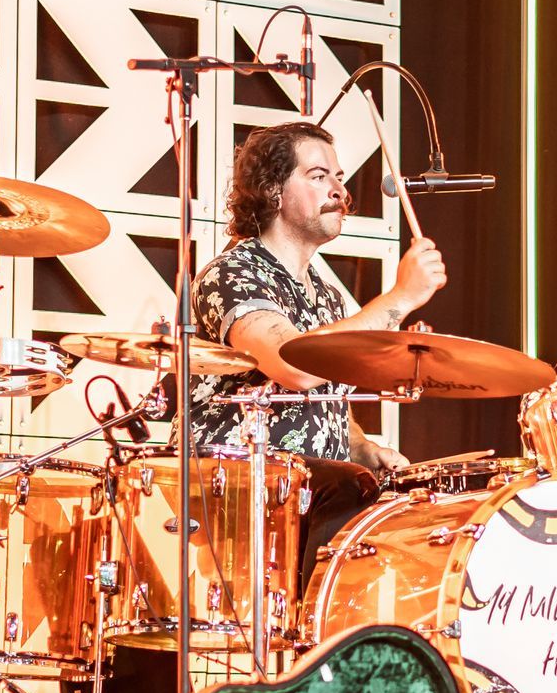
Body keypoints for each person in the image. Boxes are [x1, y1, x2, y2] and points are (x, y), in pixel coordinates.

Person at [189, 121, 447, 583]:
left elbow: (324, 403)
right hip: (234, 483)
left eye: (340, 177)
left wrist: (364, 447)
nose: (339, 190)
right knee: (348, 485)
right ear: (272, 191)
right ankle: (318, 626)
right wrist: (400, 298)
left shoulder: (325, 295)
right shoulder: (232, 272)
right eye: (318, 175)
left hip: (308, 490)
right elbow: (295, 367)